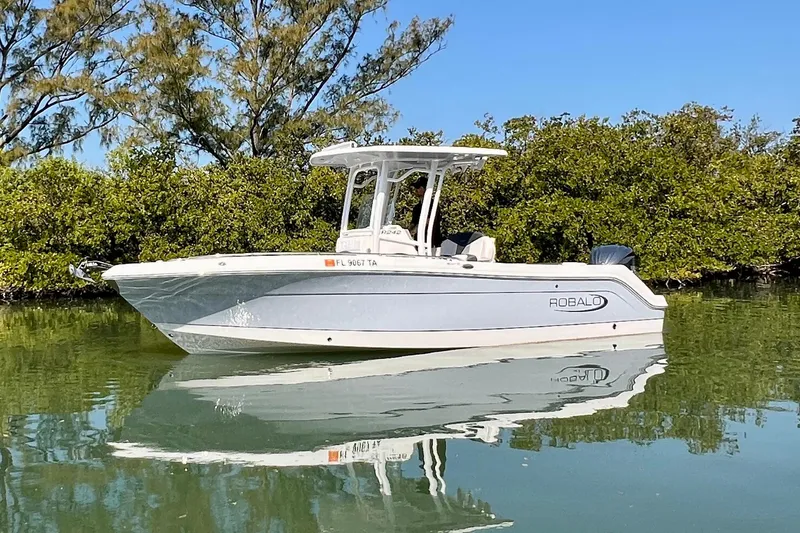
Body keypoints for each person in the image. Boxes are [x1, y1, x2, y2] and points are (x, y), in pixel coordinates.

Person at [409, 177, 443, 247]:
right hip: (418, 243)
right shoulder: (417, 207)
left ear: (425, 189)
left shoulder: (433, 205)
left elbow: (430, 220)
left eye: (419, 187)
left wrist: (415, 229)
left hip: (431, 243)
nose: (417, 190)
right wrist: (407, 232)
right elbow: (413, 223)